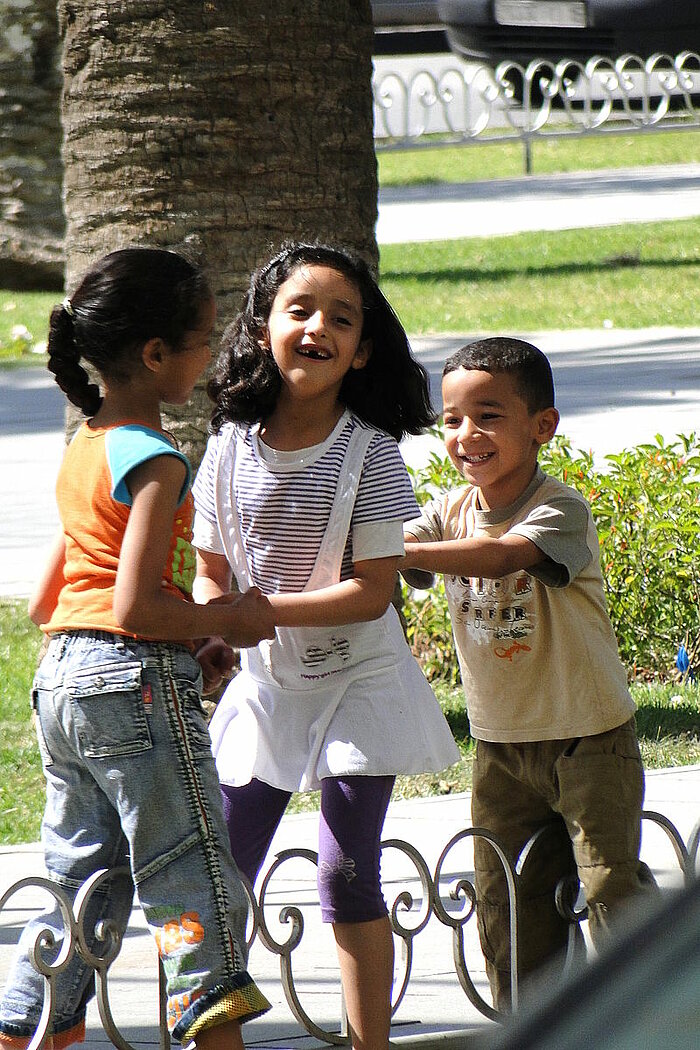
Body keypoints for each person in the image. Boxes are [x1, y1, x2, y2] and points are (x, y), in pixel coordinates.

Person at [0, 248, 275, 1050]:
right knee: (189, 873)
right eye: (203, 338)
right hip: (133, 683)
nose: (212, 351)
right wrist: (232, 619)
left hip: (63, 684)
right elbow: (133, 605)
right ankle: (212, 1035)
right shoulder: (155, 458)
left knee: (80, 884)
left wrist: (187, 636)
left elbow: (50, 601)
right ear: (155, 356)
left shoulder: (86, 446)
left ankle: (28, 1030)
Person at [191, 242, 460, 1050]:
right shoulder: (232, 440)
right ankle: (206, 1031)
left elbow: (373, 590)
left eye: (341, 320)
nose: (317, 329)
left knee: (344, 873)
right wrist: (216, 626)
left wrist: (255, 613)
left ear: (363, 350)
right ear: (262, 327)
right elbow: (210, 568)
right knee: (214, 875)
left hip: (361, 682)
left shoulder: (370, 452)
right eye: (299, 310)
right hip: (270, 684)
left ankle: (368, 1041)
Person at [401, 337, 651, 1011]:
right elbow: (411, 553)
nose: (466, 434)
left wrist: (400, 552)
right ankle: (534, 1024)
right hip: (501, 749)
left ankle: (652, 1014)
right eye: (452, 419)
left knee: (610, 893)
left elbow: (496, 554)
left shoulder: (557, 508)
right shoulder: (451, 510)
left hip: (589, 742)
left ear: (542, 427)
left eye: (488, 415)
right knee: (507, 904)